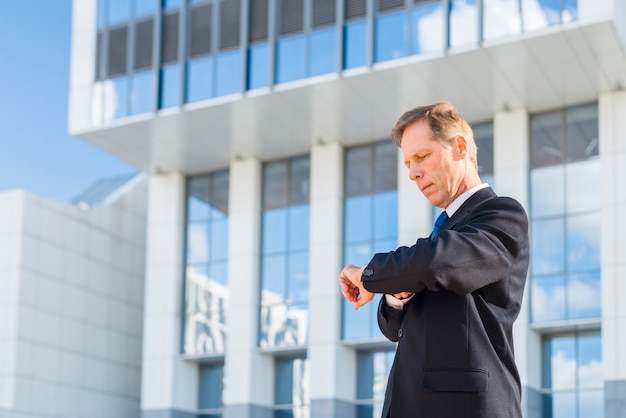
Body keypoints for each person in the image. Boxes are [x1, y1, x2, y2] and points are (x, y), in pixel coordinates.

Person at [339, 101, 529, 418]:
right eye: (409, 163)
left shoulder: (501, 215)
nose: (413, 173)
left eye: (422, 157)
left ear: (459, 148)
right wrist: (397, 294)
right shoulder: (441, 237)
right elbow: (393, 327)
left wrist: (368, 274)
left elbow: (437, 263)